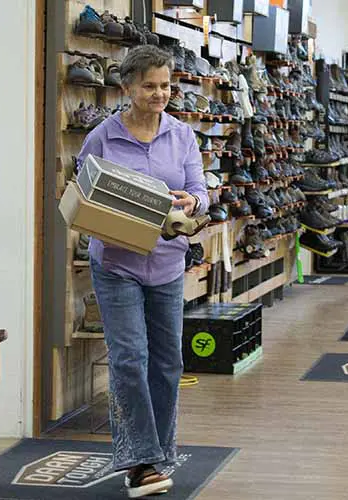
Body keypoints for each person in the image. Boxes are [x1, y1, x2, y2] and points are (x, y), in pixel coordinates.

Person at [77, 45, 208, 498]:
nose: (159, 94)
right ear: (127, 87)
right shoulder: (102, 139)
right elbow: (84, 196)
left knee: (168, 361)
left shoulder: (182, 136)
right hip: (116, 264)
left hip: (167, 264)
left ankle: (158, 453)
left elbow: (199, 189)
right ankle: (141, 461)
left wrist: (194, 202)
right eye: (149, 86)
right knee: (131, 359)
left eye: (166, 85)